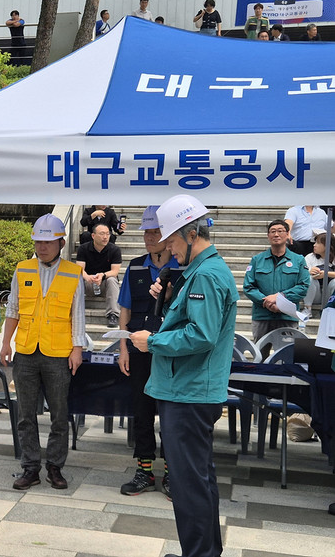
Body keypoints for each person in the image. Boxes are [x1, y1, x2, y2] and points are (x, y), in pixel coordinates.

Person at [129, 194, 238, 557]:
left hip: (189, 393)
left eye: (172, 241)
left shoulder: (205, 275)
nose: (169, 249)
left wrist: (152, 342)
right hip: (188, 390)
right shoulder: (200, 272)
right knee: (198, 481)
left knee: (189, 485)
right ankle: (204, 552)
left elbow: (201, 335)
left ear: (192, 235)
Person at [0, 214, 86, 491]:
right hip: (26, 350)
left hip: (58, 353)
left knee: (59, 414)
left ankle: (55, 467)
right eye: (38, 242)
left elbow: (78, 314)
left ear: (61, 243)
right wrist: (6, 343)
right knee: (25, 414)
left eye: (48, 242)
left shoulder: (73, 273)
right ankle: (30, 467)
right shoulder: (22, 269)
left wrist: (77, 349)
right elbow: (13, 308)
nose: (42, 247)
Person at [117, 206, 183, 499]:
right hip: (139, 348)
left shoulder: (184, 268)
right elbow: (125, 310)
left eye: (155, 232)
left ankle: (171, 472)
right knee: (141, 410)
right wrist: (123, 348)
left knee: (169, 411)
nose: (149, 238)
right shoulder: (135, 267)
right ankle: (144, 470)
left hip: (171, 349)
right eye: (146, 232)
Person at [243, 220, 309, 356]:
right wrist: (267, 302)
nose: (276, 234)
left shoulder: (298, 260)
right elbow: (248, 287)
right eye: (273, 231)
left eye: (280, 231)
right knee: (260, 355)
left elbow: (303, 286)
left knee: (287, 355)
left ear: (287, 234)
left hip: (287, 316)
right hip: (262, 315)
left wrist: (280, 298)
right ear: (268, 236)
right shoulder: (257, 260)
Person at [76, 223, 122, 327]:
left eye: (107, 234)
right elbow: (79, 269)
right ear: (93, 235)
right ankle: (74, 311)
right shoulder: (83, 249)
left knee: (112, 279)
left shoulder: (115, 250)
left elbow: (115, 271)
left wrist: (102, 275)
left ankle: (113, 314)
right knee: (76, 278)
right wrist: (87, 277)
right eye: (102, 234)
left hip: (105, 284)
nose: (105, 237)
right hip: (89, 283)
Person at [303, 233, 335, 317]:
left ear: (327, 245)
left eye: (318, 243)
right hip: (315, 294)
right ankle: (307, 309)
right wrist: (310, 271)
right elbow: (301, 273)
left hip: (329, 294)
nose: (314, 245)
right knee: (309, 278)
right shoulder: (310, 257)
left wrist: (326, 274)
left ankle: (330, 310)